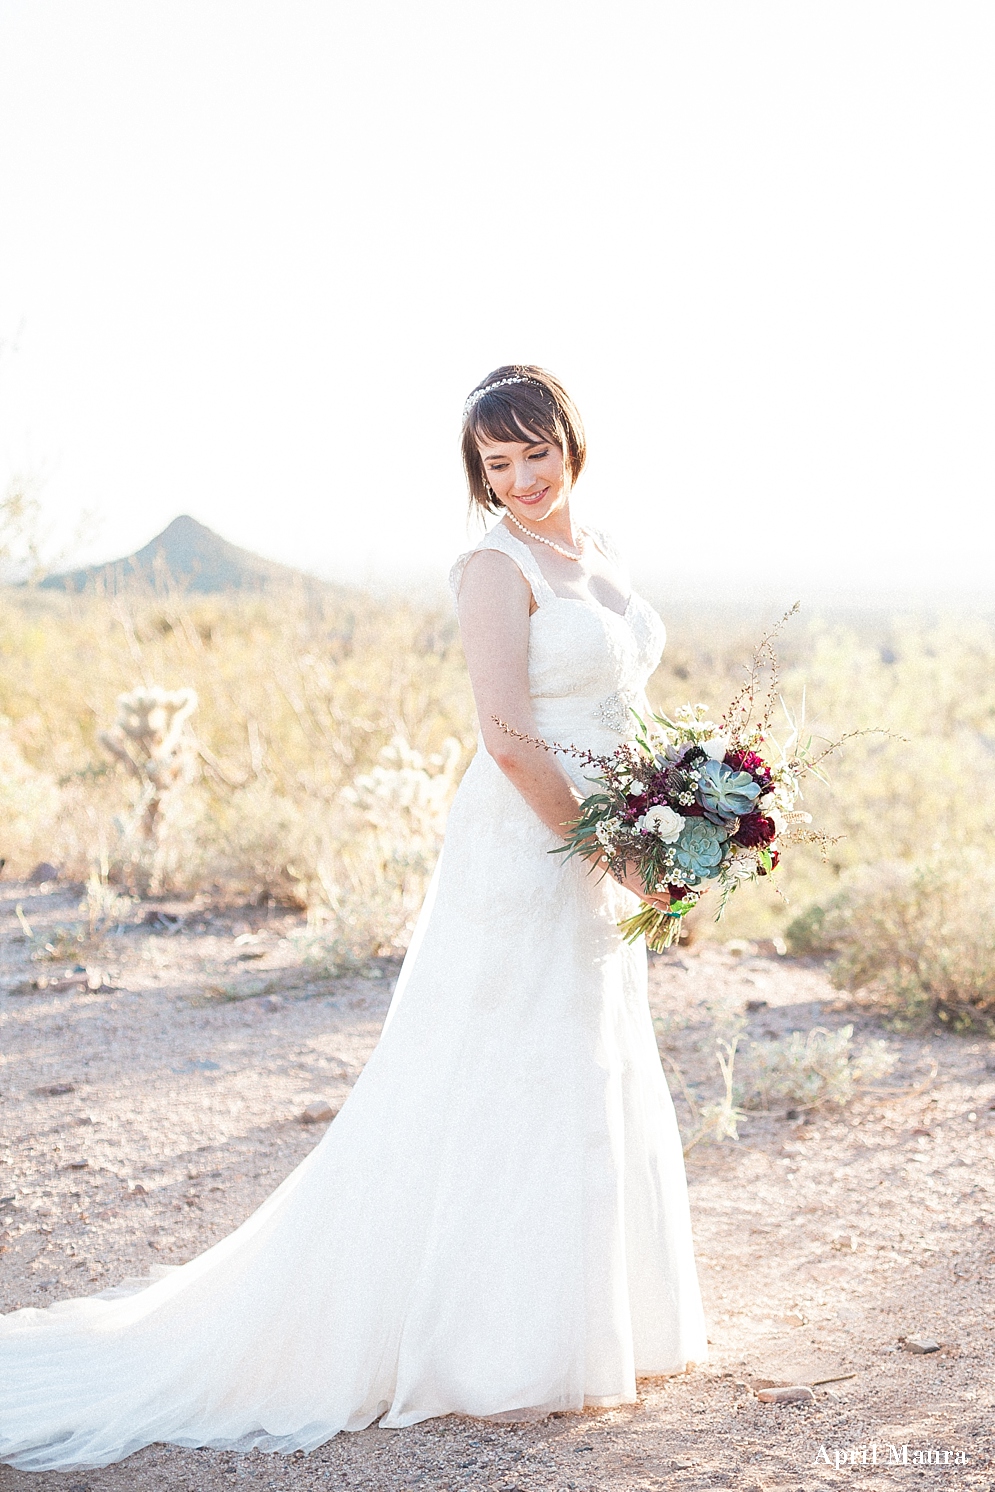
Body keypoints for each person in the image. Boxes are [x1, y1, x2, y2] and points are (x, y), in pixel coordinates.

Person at [0, 365, 707, 1473]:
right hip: (533, 843)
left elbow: (620, 703)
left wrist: (682, 810)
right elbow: (509, 738)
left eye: (535, 452)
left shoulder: (598, 552)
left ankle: (594, 1312)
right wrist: (610, 849)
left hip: (607, 829)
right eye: (495, 463)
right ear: (477, 474)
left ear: (572, 440)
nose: (520, 479)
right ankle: (492, 1343)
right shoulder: (492, 564)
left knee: (588, 1058)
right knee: (505, 1062)